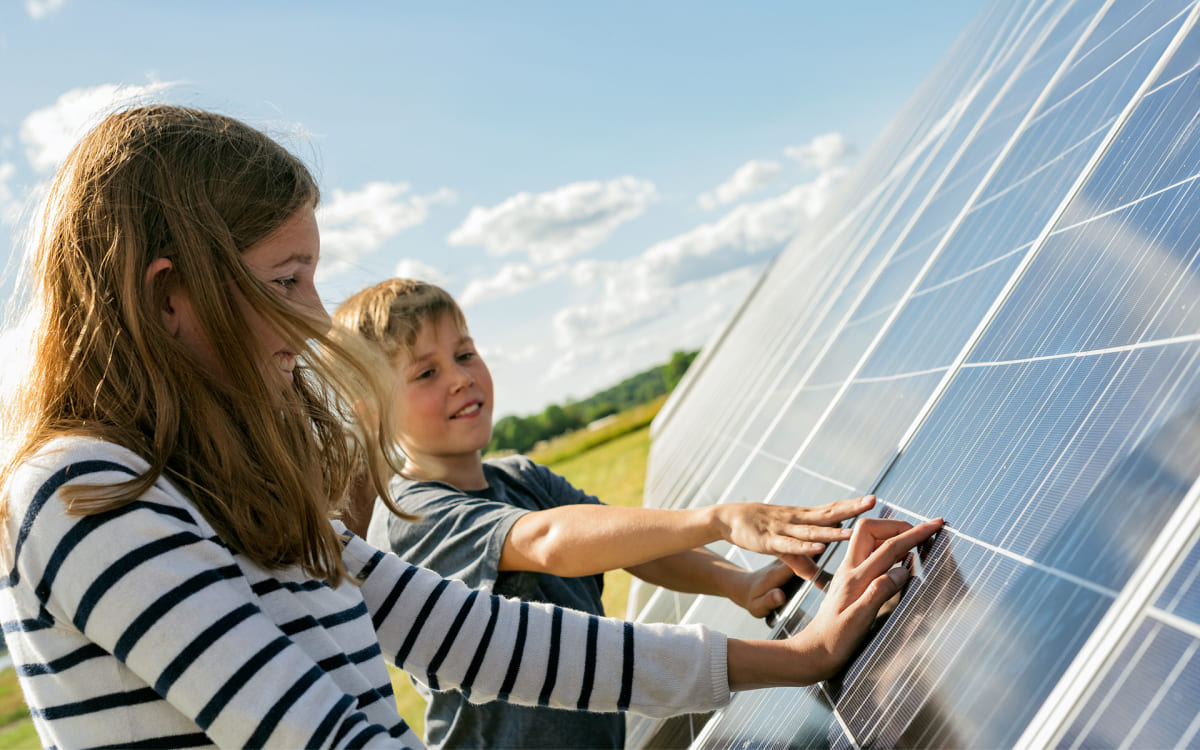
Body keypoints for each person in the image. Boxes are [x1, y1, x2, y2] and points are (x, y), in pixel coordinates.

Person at [0, 104, 942, 749]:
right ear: (173, 298)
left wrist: (796, 657)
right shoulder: (86, 493)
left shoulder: (229, 490)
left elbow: (483, 638)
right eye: (285, 281)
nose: (317, 317)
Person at [334, 278, 912, 749]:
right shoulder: (411, 515)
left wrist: (740, 583)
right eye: (426, 372)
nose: (460, 376)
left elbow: (634, 548)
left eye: (465, 353)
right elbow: (548, 542)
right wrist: (717, 520)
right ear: (370, 409)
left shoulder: (519, 476)